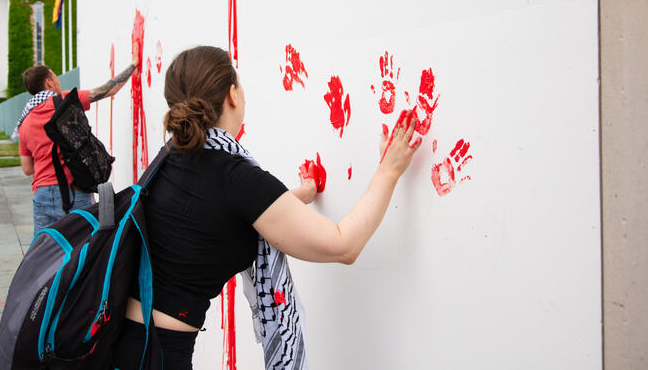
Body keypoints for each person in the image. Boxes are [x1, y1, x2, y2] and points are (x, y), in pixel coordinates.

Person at [111, 46, 422, 369]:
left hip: (121, 342)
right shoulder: (234, 177)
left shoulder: (173, 158)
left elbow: (227, 214)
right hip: (157, 356)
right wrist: (390, 171)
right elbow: (344, 245)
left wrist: (300, 194)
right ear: (233, 94)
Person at [17, 46, 140, 234]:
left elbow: (27, 169)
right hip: (73, 191)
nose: (58, 82)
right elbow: (108, 90)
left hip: (41, 195)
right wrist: (133, 65)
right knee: (84, 246)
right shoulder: (64, 101)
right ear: (49, 83)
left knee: (47, 251)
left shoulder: (24, 122)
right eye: (56, 77)